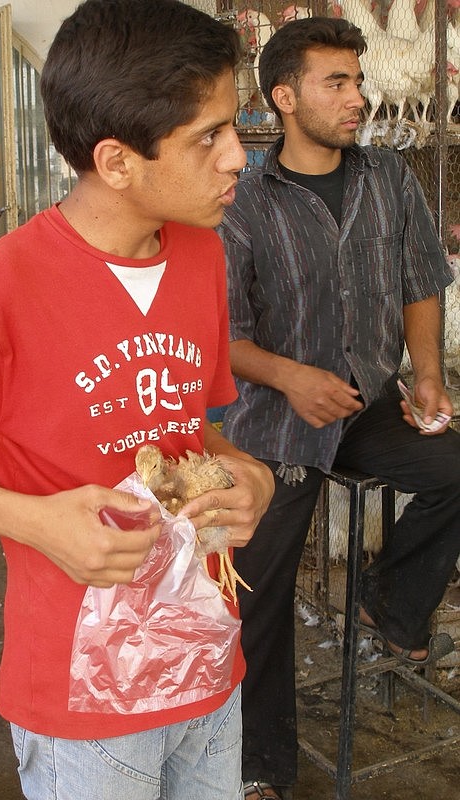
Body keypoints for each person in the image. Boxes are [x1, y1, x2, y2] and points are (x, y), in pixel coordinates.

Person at [0, 3, 275, 799]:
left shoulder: (201, 255)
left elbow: (186, 430)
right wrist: (36, 522)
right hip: (83, 695)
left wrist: (245, 472)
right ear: (116, 161)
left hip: (203, 659)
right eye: (209, 136)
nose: (238, 159)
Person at [218, 16, 460, 800]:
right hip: (276, 421)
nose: (359, 97)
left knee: (456, 467)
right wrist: (289, 377)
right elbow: (221, 335)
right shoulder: (243, 201)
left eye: (357, 80)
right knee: (255, 600)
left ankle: (388, 604)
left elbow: (421, 282)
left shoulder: (389, 178)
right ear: (286, 97)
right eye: (338, 82)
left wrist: (428, 377)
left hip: (365, 404)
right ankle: (261, 767)